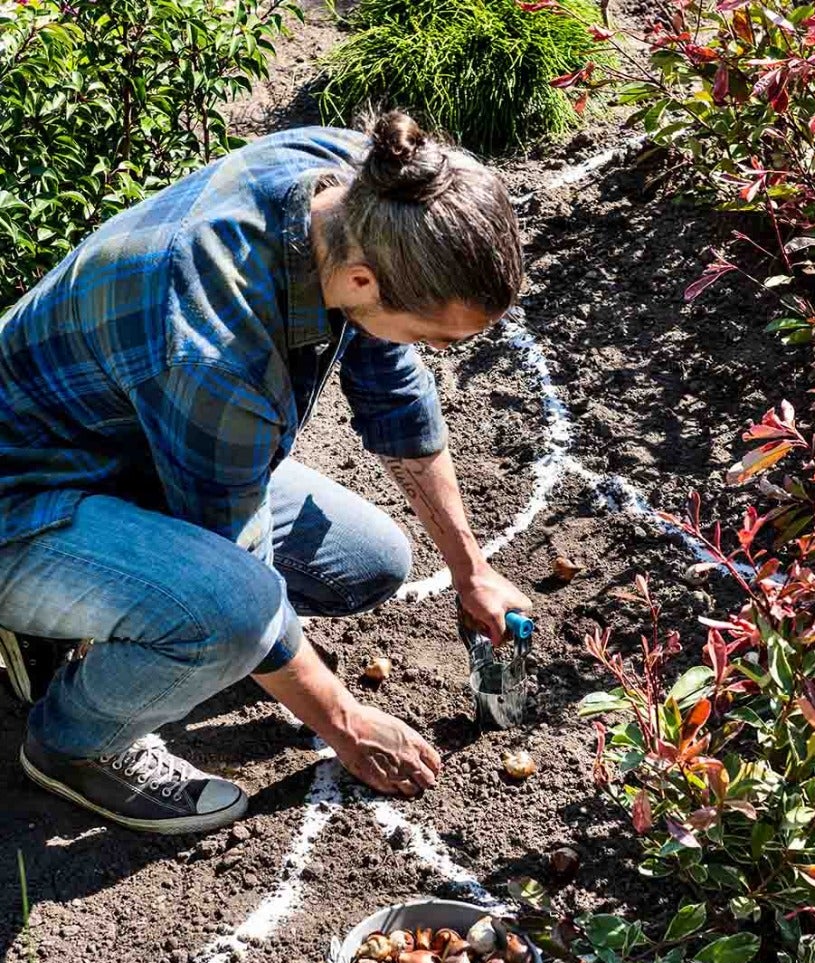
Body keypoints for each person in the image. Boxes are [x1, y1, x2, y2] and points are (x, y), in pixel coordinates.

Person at [0, 111, 533, 835]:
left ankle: (97, 608)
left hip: (131, 448)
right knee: (229, 613)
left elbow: (394, 392)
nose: (436, 351)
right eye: (434, 335)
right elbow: (244, 590)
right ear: (361, 280)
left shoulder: (365, 191)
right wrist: (344, 722)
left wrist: (470, 570)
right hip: (23, 501)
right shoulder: (215, 349)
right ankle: (73, 747)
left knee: (370, 563)